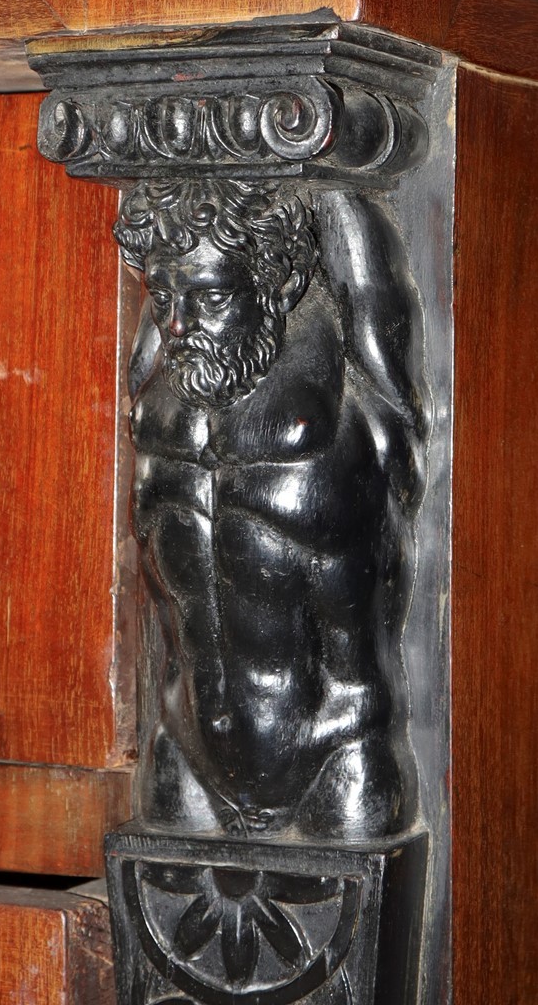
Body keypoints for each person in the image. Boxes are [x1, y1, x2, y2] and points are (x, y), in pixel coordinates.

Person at [114, 175, 427, 842]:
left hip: (337, 753)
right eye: (166, 298)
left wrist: (308, 139)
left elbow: (372, 277)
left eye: (212, 298)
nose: (177, 324)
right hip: (182, 749)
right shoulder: (154, 388)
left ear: (279, 287)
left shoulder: (361, 390)